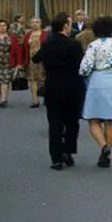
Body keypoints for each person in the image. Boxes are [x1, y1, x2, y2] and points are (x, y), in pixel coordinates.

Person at [32, 13, 85, 170]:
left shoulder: (47, 43)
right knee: (72, 122)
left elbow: (36, 58)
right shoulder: (74, 45)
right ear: (65, 25)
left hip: (53, 86)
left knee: (54, 123)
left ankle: (56, 158)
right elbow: (81, 63)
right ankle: (68, 151)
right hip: (72, 87)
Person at [79, 16, 112, 168]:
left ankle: (103, 146)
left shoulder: (94, 46)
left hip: (99, 81)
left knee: (93, 119)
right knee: (111, 120)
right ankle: (108, 150)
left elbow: (85, 68)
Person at [23, 17, 47, 108]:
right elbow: (23, 49)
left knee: (44, 80)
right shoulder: (27, 35)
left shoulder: (45, 34)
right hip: (31, 61)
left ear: (40, 23)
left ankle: (46, 98)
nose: (34, 24)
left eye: (37, 22)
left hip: (43, 61)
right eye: (32, 22)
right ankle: (35, 101)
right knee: (32, 80)